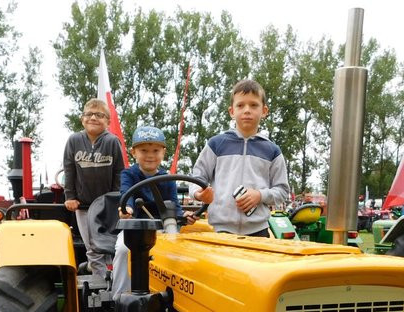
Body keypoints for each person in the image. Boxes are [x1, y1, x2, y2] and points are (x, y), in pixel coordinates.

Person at [189, 79, 289, 236]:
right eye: (240, 105)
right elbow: (197, 177)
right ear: (231, 111)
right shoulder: (216, 144)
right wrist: (198, 194)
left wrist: (259, 195)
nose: (247, 110)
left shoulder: (272, 151)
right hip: (221, 231)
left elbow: (282, 190)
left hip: (258, 231)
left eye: (254, 105)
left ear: (264, 111)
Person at [113, 126, 188, 300]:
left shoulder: (168, 179)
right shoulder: (129, 174)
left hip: (162, 228)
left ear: (163, 152)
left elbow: (174, 206)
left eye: (155, 150)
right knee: (124, 250)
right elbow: (127, 193)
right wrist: (127, 209)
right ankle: (120, 298)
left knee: (178, 252)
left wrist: (183, 216)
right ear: (133, 152)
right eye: (144, 150)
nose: (150, 155)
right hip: (136, 229)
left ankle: (172, 298)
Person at [63, 98, 125, 280]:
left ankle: (114, 279)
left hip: (107, 204)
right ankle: (100, 281)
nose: (93, 118)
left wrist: (117, 199)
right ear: (82, 119)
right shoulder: (74, 140)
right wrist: (70, 196)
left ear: (108, 121)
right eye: (89, 114)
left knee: (110, 242)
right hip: (83, 205)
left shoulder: (112, 142)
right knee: (92, 246)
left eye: (99, 115)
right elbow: (69, 169)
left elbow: (119, 172)